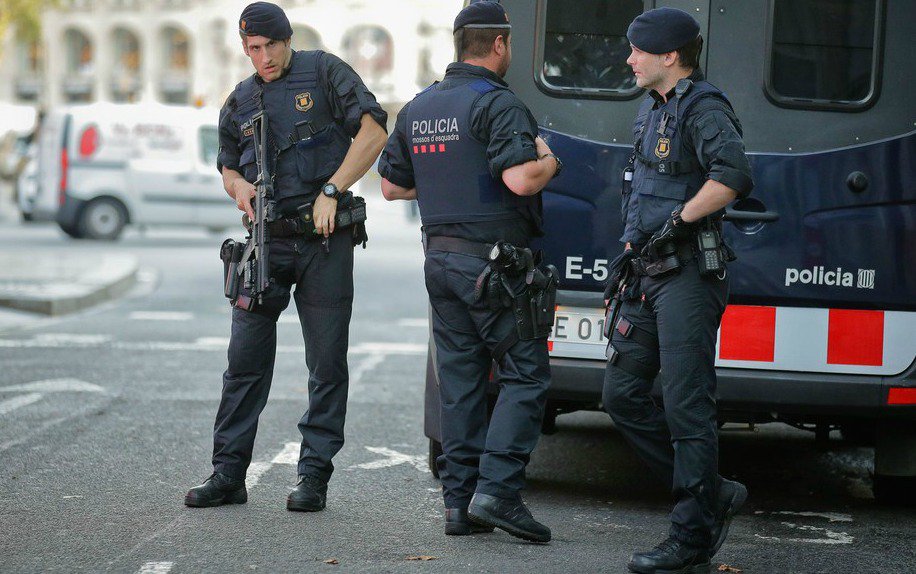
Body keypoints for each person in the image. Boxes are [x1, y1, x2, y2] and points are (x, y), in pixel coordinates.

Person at [185, 1, 387, 512]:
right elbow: (227, 165)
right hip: (264, 244)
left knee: (326, 364)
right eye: (253, 48)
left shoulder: (324, 72)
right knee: (243, 363)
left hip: (323, 241)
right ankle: (228, 474)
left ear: (287, 39)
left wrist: (332, 189)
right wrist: (238, 188)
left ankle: (313, 477)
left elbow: (374, 132)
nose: (264, 57)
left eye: (271, 45)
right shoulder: (240, 99)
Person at [378, 1, 560, 544]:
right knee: (525, 375)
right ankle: (498, 491)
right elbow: (521, 180)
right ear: (499, 44)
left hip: (441, 262)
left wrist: (447, 177)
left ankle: (459, 506)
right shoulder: (498, 104)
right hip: (494, 266)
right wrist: (551, 160)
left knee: (459, 386)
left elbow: (391, 186)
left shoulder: (419, 107)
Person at [602, 7, 753, 574]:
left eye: (638, 50)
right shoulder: (651, 107)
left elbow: (732, 177)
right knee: (622, 394)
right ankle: (712, 492)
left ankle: (691, 535)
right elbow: (641, 188)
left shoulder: (704, 107)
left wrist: (679, 221)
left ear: (670, 56)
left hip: (687, 274)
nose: (629, 59)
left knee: (687, 405)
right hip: (647, 273)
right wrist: (631, 251)